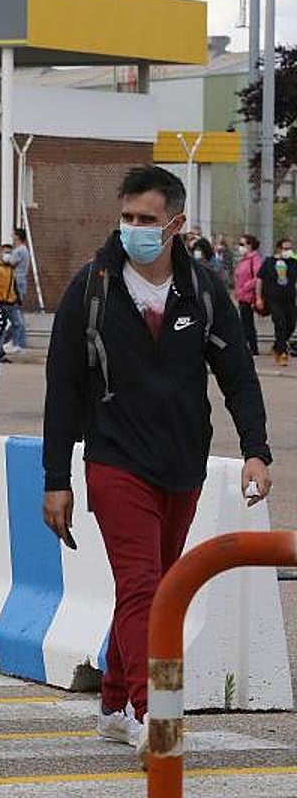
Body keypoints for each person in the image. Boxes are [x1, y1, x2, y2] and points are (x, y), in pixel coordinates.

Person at [43, 166, 271, 766]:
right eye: (128, 218)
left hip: (182, 462)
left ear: (176, 224)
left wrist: (256, 450)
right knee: (145, 587)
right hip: (115, 461)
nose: (134, 229)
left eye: (147, 219)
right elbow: (62, 391)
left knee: (153, 586)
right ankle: (153, 717)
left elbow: (238, 376)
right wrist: (55, 481)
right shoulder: (90, 288)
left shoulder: (201, 290)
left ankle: (115, 699)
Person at [257, 237, 297, 367]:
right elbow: (260, 279)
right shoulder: (269, 262)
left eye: (290, 248)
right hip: (274, 298)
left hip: (289, 299)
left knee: (291, 324)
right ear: (279, 248)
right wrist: (258, 298)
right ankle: (282, 353)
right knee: (280, 324)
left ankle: (277, 345)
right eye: (286, 248)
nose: (288, 251)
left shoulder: (293, 263)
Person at [0, 243, 21, 359]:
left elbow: (13, 284)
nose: (7, 255)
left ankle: (7, 345)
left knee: (17, 324)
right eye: (5, 252)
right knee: (0, 327)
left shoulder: (10, 268)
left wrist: (18, 298)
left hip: (10, 302)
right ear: (0, 253)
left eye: (9, 253)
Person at [235, 234, 264, 356]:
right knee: (244, 322)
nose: (240, 247)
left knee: (247, 323)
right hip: (242, 296)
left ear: (250, 245)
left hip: (249, 296)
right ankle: (248, 347)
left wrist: (244, 288)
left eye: (242, 244)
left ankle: (252, 348)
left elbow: (258, 277)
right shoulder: (244, 260)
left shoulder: (255, 259)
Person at [7, 228, 31, 351]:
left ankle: (17, 342)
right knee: (17, 312)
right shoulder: (25, 249)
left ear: (17, 237)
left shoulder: (19, 251)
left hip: (16, 283)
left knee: (15, 313)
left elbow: (9, 263)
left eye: (13, 234)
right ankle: (18, 341)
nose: (11, 236)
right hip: (22, 282)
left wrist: (5, 257)